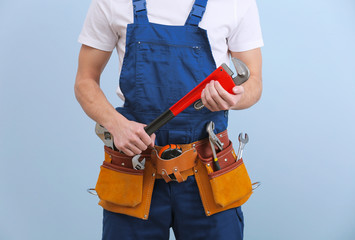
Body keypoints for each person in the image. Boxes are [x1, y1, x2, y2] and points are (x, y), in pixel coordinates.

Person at [75, 0, 263, 239]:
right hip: (135, 168)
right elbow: (85, 81)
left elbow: (254, 82)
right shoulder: (111, 2)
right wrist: (115, 123)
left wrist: (235, 97)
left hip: (208, 169)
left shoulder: (234, 3)